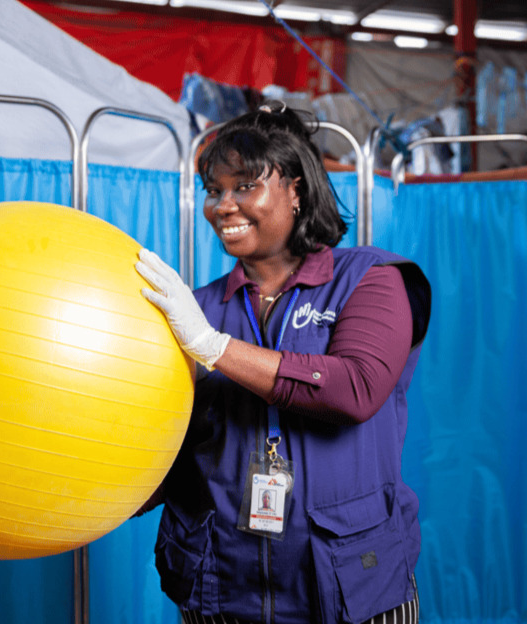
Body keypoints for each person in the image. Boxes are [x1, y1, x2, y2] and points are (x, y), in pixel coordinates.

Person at [135, 102, 431, 624]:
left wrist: (213, 346)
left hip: (351, 589)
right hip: (223, 589)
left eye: (244, 185)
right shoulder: (199, 308)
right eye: (213, 190)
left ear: (296, 189)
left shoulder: (371, 279)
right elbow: (168, 449)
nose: (223, 206)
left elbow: (354, 389)